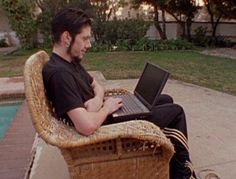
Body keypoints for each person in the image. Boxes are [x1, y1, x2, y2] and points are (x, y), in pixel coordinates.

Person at [42, 8, 196, 179]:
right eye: (85, 39)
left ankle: (169, 158)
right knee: (176, 112)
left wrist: (97, 100)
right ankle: (183, 175)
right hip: (108, 130)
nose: (89, 45)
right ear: (66, 38)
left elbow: (97, 86)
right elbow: (86, 126)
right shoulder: (60, 74)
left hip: (105, 114)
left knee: (164, 99)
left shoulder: (70, 62)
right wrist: (106, 108)